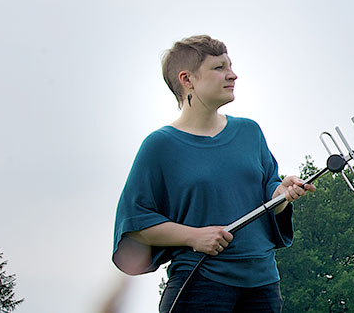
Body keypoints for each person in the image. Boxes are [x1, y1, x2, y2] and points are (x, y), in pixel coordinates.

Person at [112, 35, 314, 312]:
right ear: (187, 79)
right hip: (199, 284)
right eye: (219, 68)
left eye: (230, 66)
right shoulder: (160, 146)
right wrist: (193, 236)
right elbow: (135, 223)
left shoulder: (249, 132)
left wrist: (281, 193)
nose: (233, 75)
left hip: (264, 285)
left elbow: (270, 191)